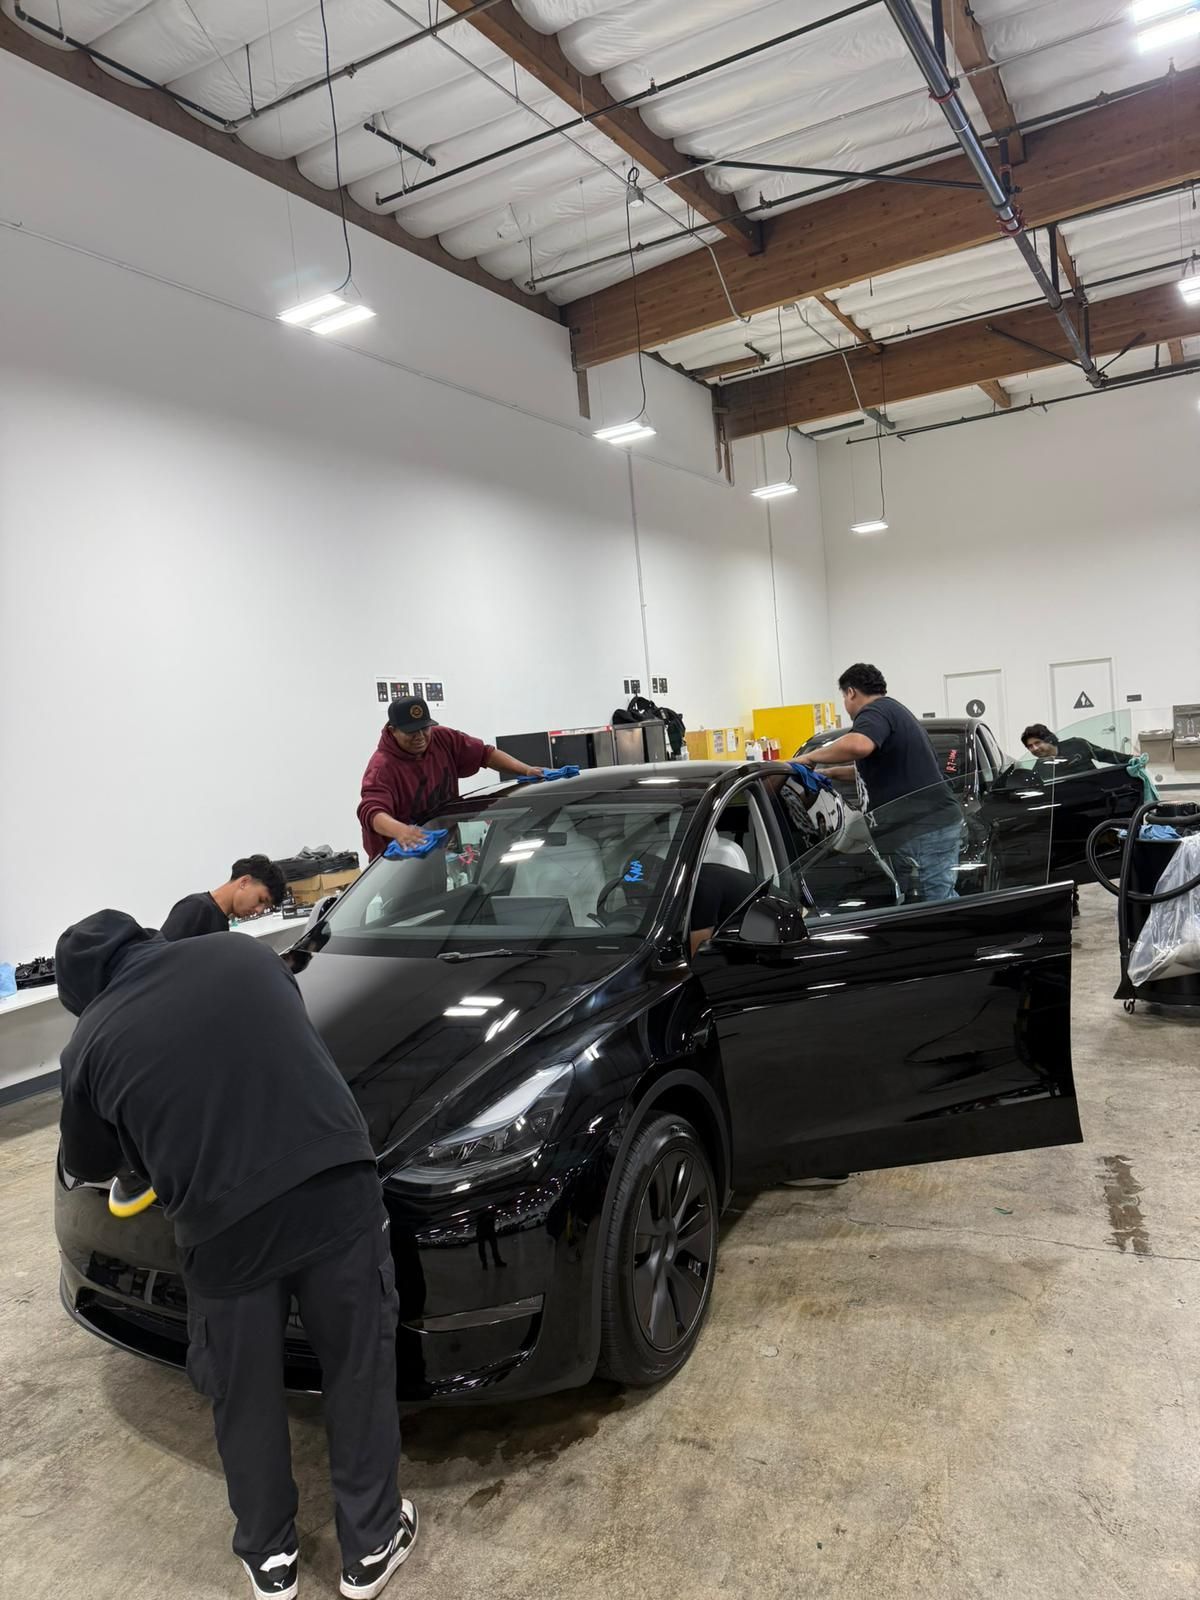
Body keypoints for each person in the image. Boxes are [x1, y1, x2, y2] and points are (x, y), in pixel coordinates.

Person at [56, 912, 418, 1600]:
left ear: (84, 995)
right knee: (357, 1368)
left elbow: (90, 1162)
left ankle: (270, 1558)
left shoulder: (90, 1042)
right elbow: (281, 1042)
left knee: (241, 1389)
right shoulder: (241, 953)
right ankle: (370, 1547)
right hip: (335, 1190)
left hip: (223, 1231)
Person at [796, 663, 963, 904]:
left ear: (851, 692)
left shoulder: (876, 711)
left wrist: (810, 757)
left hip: (926, 829)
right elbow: (872, 771)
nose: (846, 705)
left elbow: (858, 745)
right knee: (924, 901)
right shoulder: (893, 711)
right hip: (922, 828)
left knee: (936, 902)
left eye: (844, 697)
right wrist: (829, 772)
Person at [358, 697, 542, 862]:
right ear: (393, 730)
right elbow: (371, 811)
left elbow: (485, 754)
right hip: (397, 857)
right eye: (411, 732)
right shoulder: (382, 767)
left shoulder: (442, 738)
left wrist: (526, 770)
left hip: (434, 845)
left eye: (424, 728)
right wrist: (401, 831)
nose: (420, 737)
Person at [162, 855, 287, 940]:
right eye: (261, 900)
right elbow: (157, 960)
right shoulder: (196, 908)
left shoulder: (221, 923)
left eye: (265, 907)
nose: (259, 910)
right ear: (244, 882)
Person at [1021, 723, 1127, 769]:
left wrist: (1131, 759)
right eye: (1030, 746)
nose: (1034, 748)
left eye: (1037, 743)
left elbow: (1105, 755)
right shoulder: (1040, 767)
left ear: (1049, 740)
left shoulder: (1077, 744)